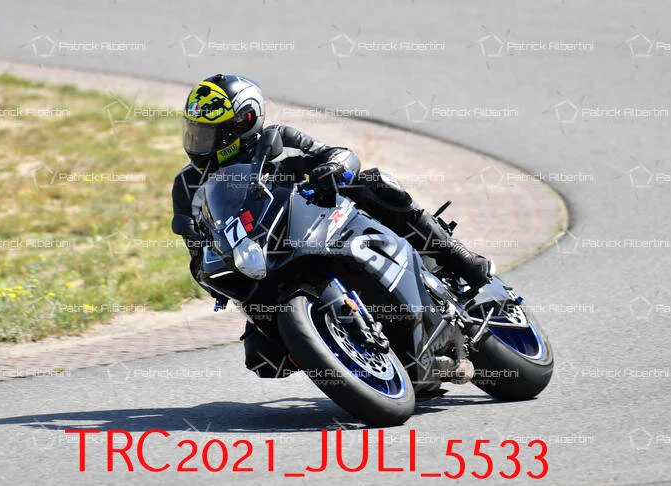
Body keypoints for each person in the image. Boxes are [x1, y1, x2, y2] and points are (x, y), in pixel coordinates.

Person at [172, 74, 495, 376]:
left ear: (244, 121)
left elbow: (339, 154)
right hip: (260, 260)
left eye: (209, 134)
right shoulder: (187, 185)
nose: (198, 142)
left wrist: (332, 168)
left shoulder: (277, 139)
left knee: (377, 184)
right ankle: (341, 356)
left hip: (316, 220)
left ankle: (461, 260)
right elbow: (195, 246)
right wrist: (207, 266)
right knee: (262, 357)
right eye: (194, 132)